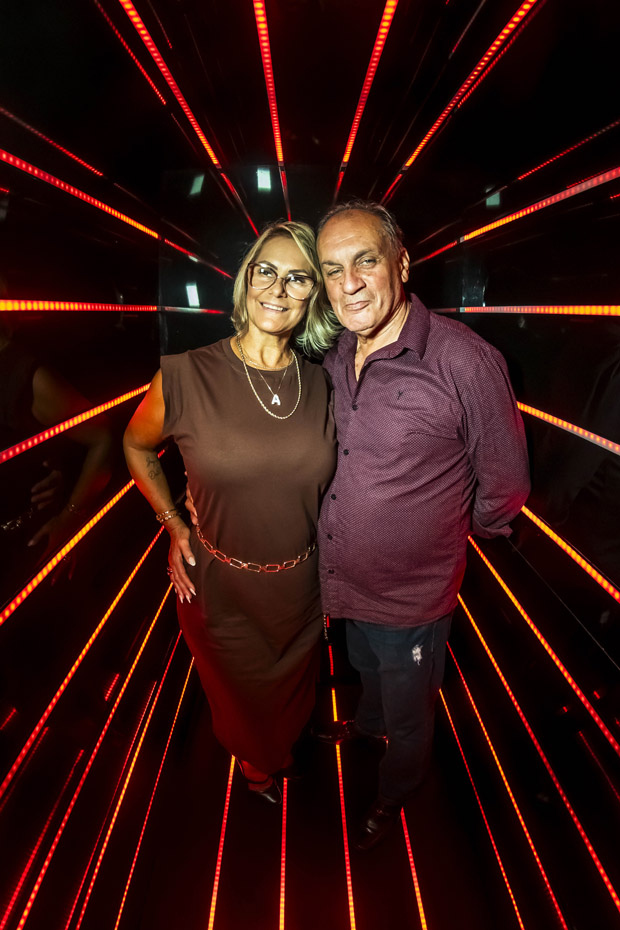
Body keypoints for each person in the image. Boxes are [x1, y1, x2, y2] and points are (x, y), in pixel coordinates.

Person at [314, 201, 531, 849]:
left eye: (365, 261)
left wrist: (451, 540)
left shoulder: (465, 361)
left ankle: (396, 790)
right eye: (332, 270)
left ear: (402, 262)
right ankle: (366, 724)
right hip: (347, 585)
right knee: (364, 669)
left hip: (412, 601)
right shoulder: (336, 354)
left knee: (411, 713)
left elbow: (507, 482)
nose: (349, 283)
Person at [123, 221, 339, 804]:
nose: (279, 289)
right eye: (266, 271)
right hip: (221, 588)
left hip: (301, 587)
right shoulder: (184, 375)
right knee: (242, 701)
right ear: (246, 281)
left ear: (314, 296)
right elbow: (136, 445)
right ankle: (256, 765)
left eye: (298, 278)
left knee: (292, 692)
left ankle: (284, 743)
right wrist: (173, 522)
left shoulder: (325, 385)